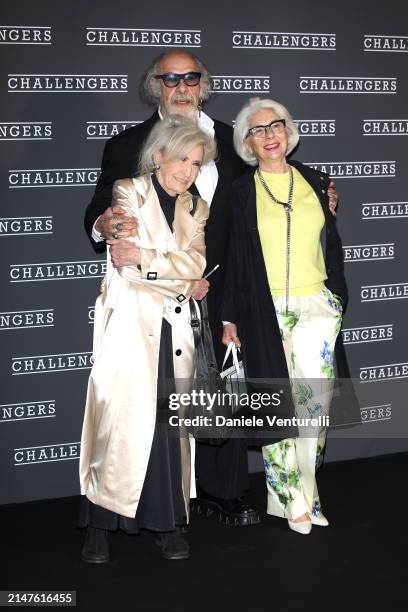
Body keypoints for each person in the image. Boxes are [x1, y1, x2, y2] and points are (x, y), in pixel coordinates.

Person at [84, 49, 339, 527]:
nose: (181, 86)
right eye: (170, 79)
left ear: (203, 84)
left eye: (190, 78)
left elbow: (276, 178)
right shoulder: (126, 144)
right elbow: (100, 204)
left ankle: (222, 493)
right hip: (158, 289)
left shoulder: (234, 139)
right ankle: (155, 495)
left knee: (229, 386)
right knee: (163, 393)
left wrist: (320, 190)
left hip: (230, 280)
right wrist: (106, 221)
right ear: (154, 86)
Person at [79, 114, 216, 562]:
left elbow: (195, 265)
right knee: (115, 425)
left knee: (169, 429)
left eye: (196, 164)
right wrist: (173, 269)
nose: (187, 171)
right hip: (130, 328)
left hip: (175, 331)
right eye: (181, 159)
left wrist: (155, 259)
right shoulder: (126, 191)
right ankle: (98, 526)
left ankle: (167, 522)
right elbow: (127, 266)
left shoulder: (196, 207)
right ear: (158, 155)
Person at [221, 97, 356, 535]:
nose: (269, 134)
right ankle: (291, 501)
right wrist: (229, 318)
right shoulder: (239, 191)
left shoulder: (317, 182)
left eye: (275, 125)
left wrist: (334, 297)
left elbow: (328, 242)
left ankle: (309, 493)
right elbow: (230, 258)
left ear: (289, 131)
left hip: (316, 306)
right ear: (247, 143)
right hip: (263, 312)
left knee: (313, 411)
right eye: (258, 130)